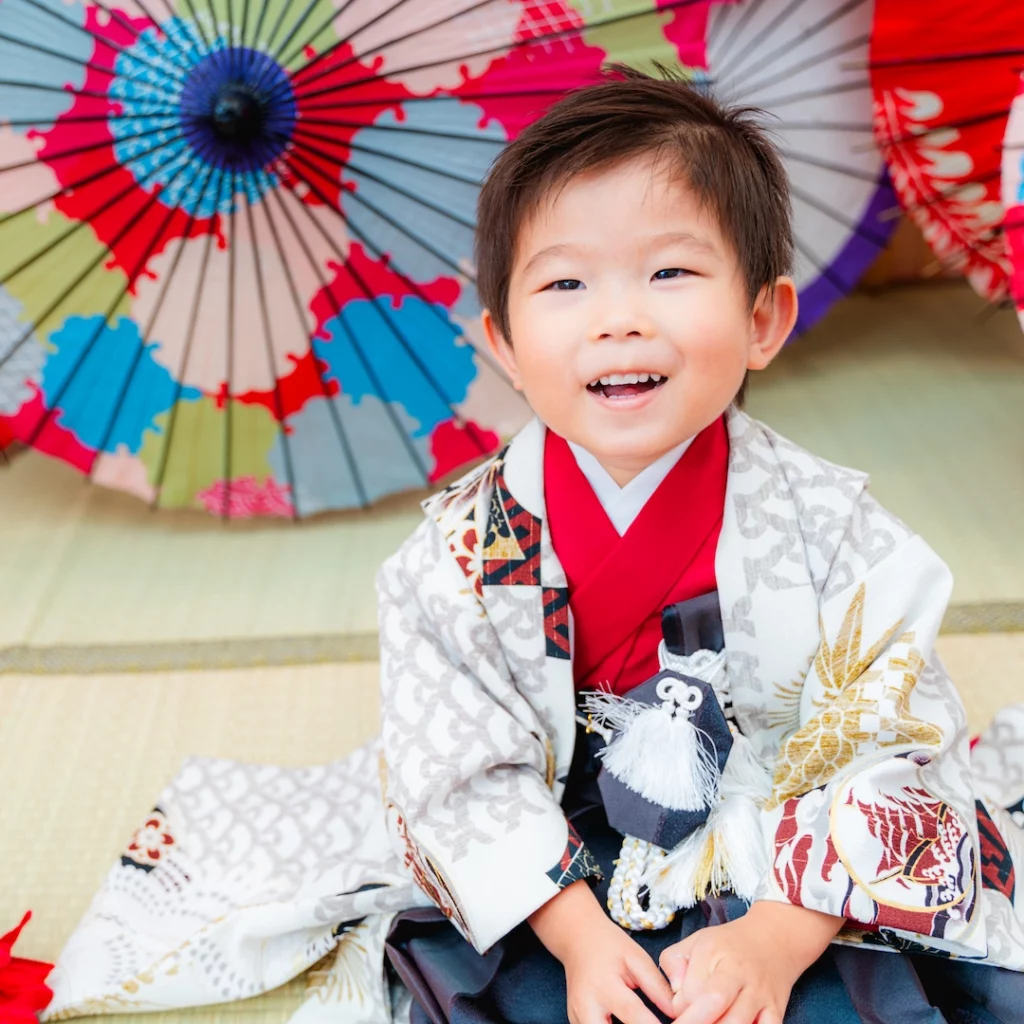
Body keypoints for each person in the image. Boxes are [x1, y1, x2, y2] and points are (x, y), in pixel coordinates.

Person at [45, 67, 1024, 1024]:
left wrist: (776, 937)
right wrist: (578, 935)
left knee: (849, 993)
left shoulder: (838, 532)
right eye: (564, 282)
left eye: (670, 272)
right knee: (501, 982)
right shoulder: (458, 556)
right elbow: (455, 768)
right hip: (555, 848)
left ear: (762, 318)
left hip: (775, 840)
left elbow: (882, 745)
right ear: (505, 344)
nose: (618, 319)